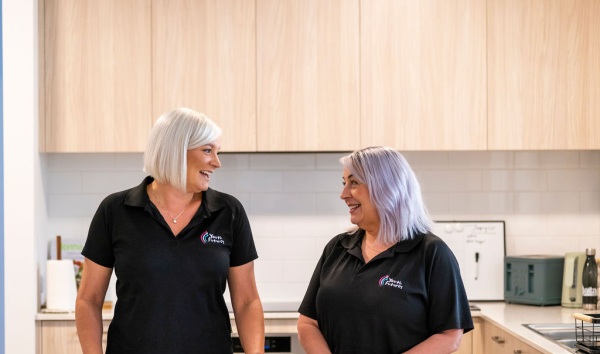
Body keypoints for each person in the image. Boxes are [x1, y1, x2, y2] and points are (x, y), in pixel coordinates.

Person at [75, 107, 265, 354]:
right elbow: (88, 300)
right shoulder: (115, 210)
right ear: (175, 150)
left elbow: (247, 302)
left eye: (217, 152)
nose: (217, 163)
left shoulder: (229, 212)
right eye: (208, 150)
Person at [297, 146, 473, 354]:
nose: (343, 194)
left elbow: (450, 336)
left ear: (386, 188)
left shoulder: (431, 252)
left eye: (353, 183)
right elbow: (308, 323)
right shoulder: (337, 247)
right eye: (344, 183)